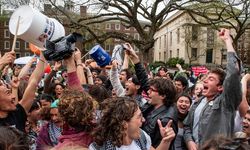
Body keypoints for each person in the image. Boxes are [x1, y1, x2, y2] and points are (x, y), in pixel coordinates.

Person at [183, 28, 243, 149]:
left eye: (211, 79)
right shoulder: (197, 102)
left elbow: (233, 73)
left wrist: (228, 41)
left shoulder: (226, 103)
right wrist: (190, 142)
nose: (205, 80)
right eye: (206, 77)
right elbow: (187, 127)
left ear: (221, 87)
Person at [125, 43, 178, 149]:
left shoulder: (165, 121)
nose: (147, 92)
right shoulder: (154, 104)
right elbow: (145, 81)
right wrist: (135, 59)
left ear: (163, 95)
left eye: (152, 90)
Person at [89, 97, 176, 150]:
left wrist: (166, 141)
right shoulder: (99, 147)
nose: (143, 120)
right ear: (124, 124)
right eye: (139, 116)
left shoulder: (142, 136)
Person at [0, 52, 47, 132]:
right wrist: (1, 64)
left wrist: (43, 53)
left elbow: (34, 82)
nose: (14, 97)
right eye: (8, 93)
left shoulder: (18, 114)